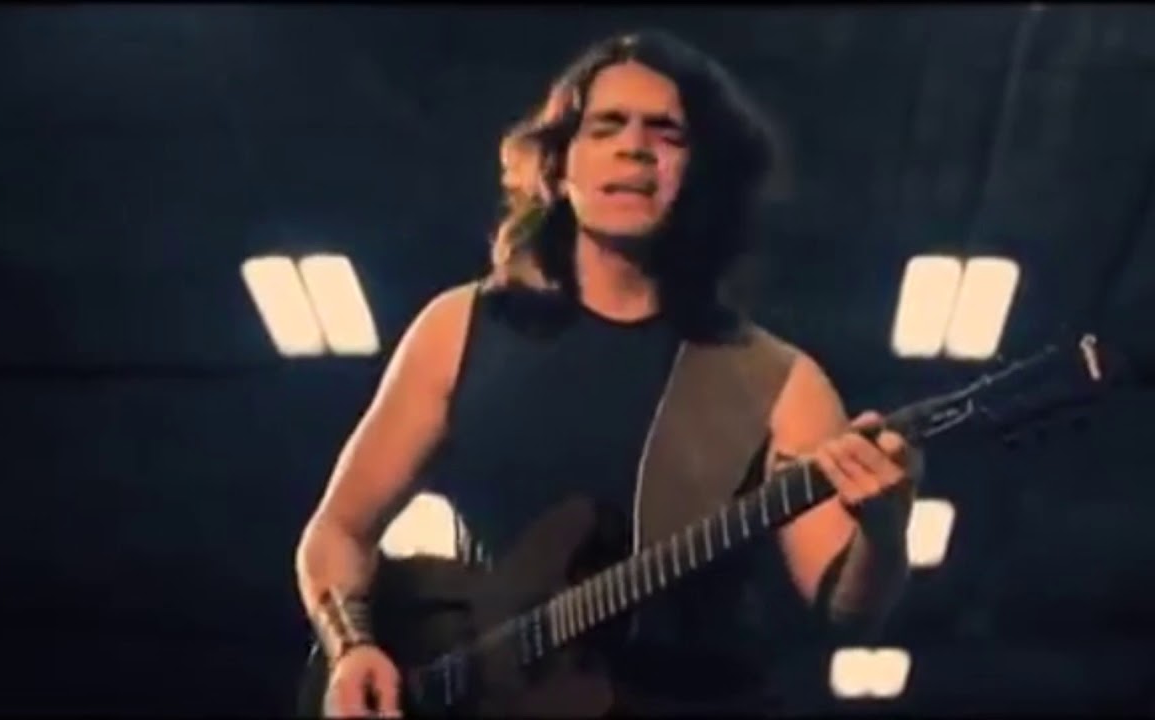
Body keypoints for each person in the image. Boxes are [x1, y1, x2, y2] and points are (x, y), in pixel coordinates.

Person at [294, 29, 919, 717]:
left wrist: (885, 532)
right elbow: (338, 532)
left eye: (667, 132)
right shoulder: (460, 328)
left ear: (703, 174)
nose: (634, 147)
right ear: (558, 165)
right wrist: (351, 647)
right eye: (605, 126)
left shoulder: (779, 381)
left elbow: (847, 608)